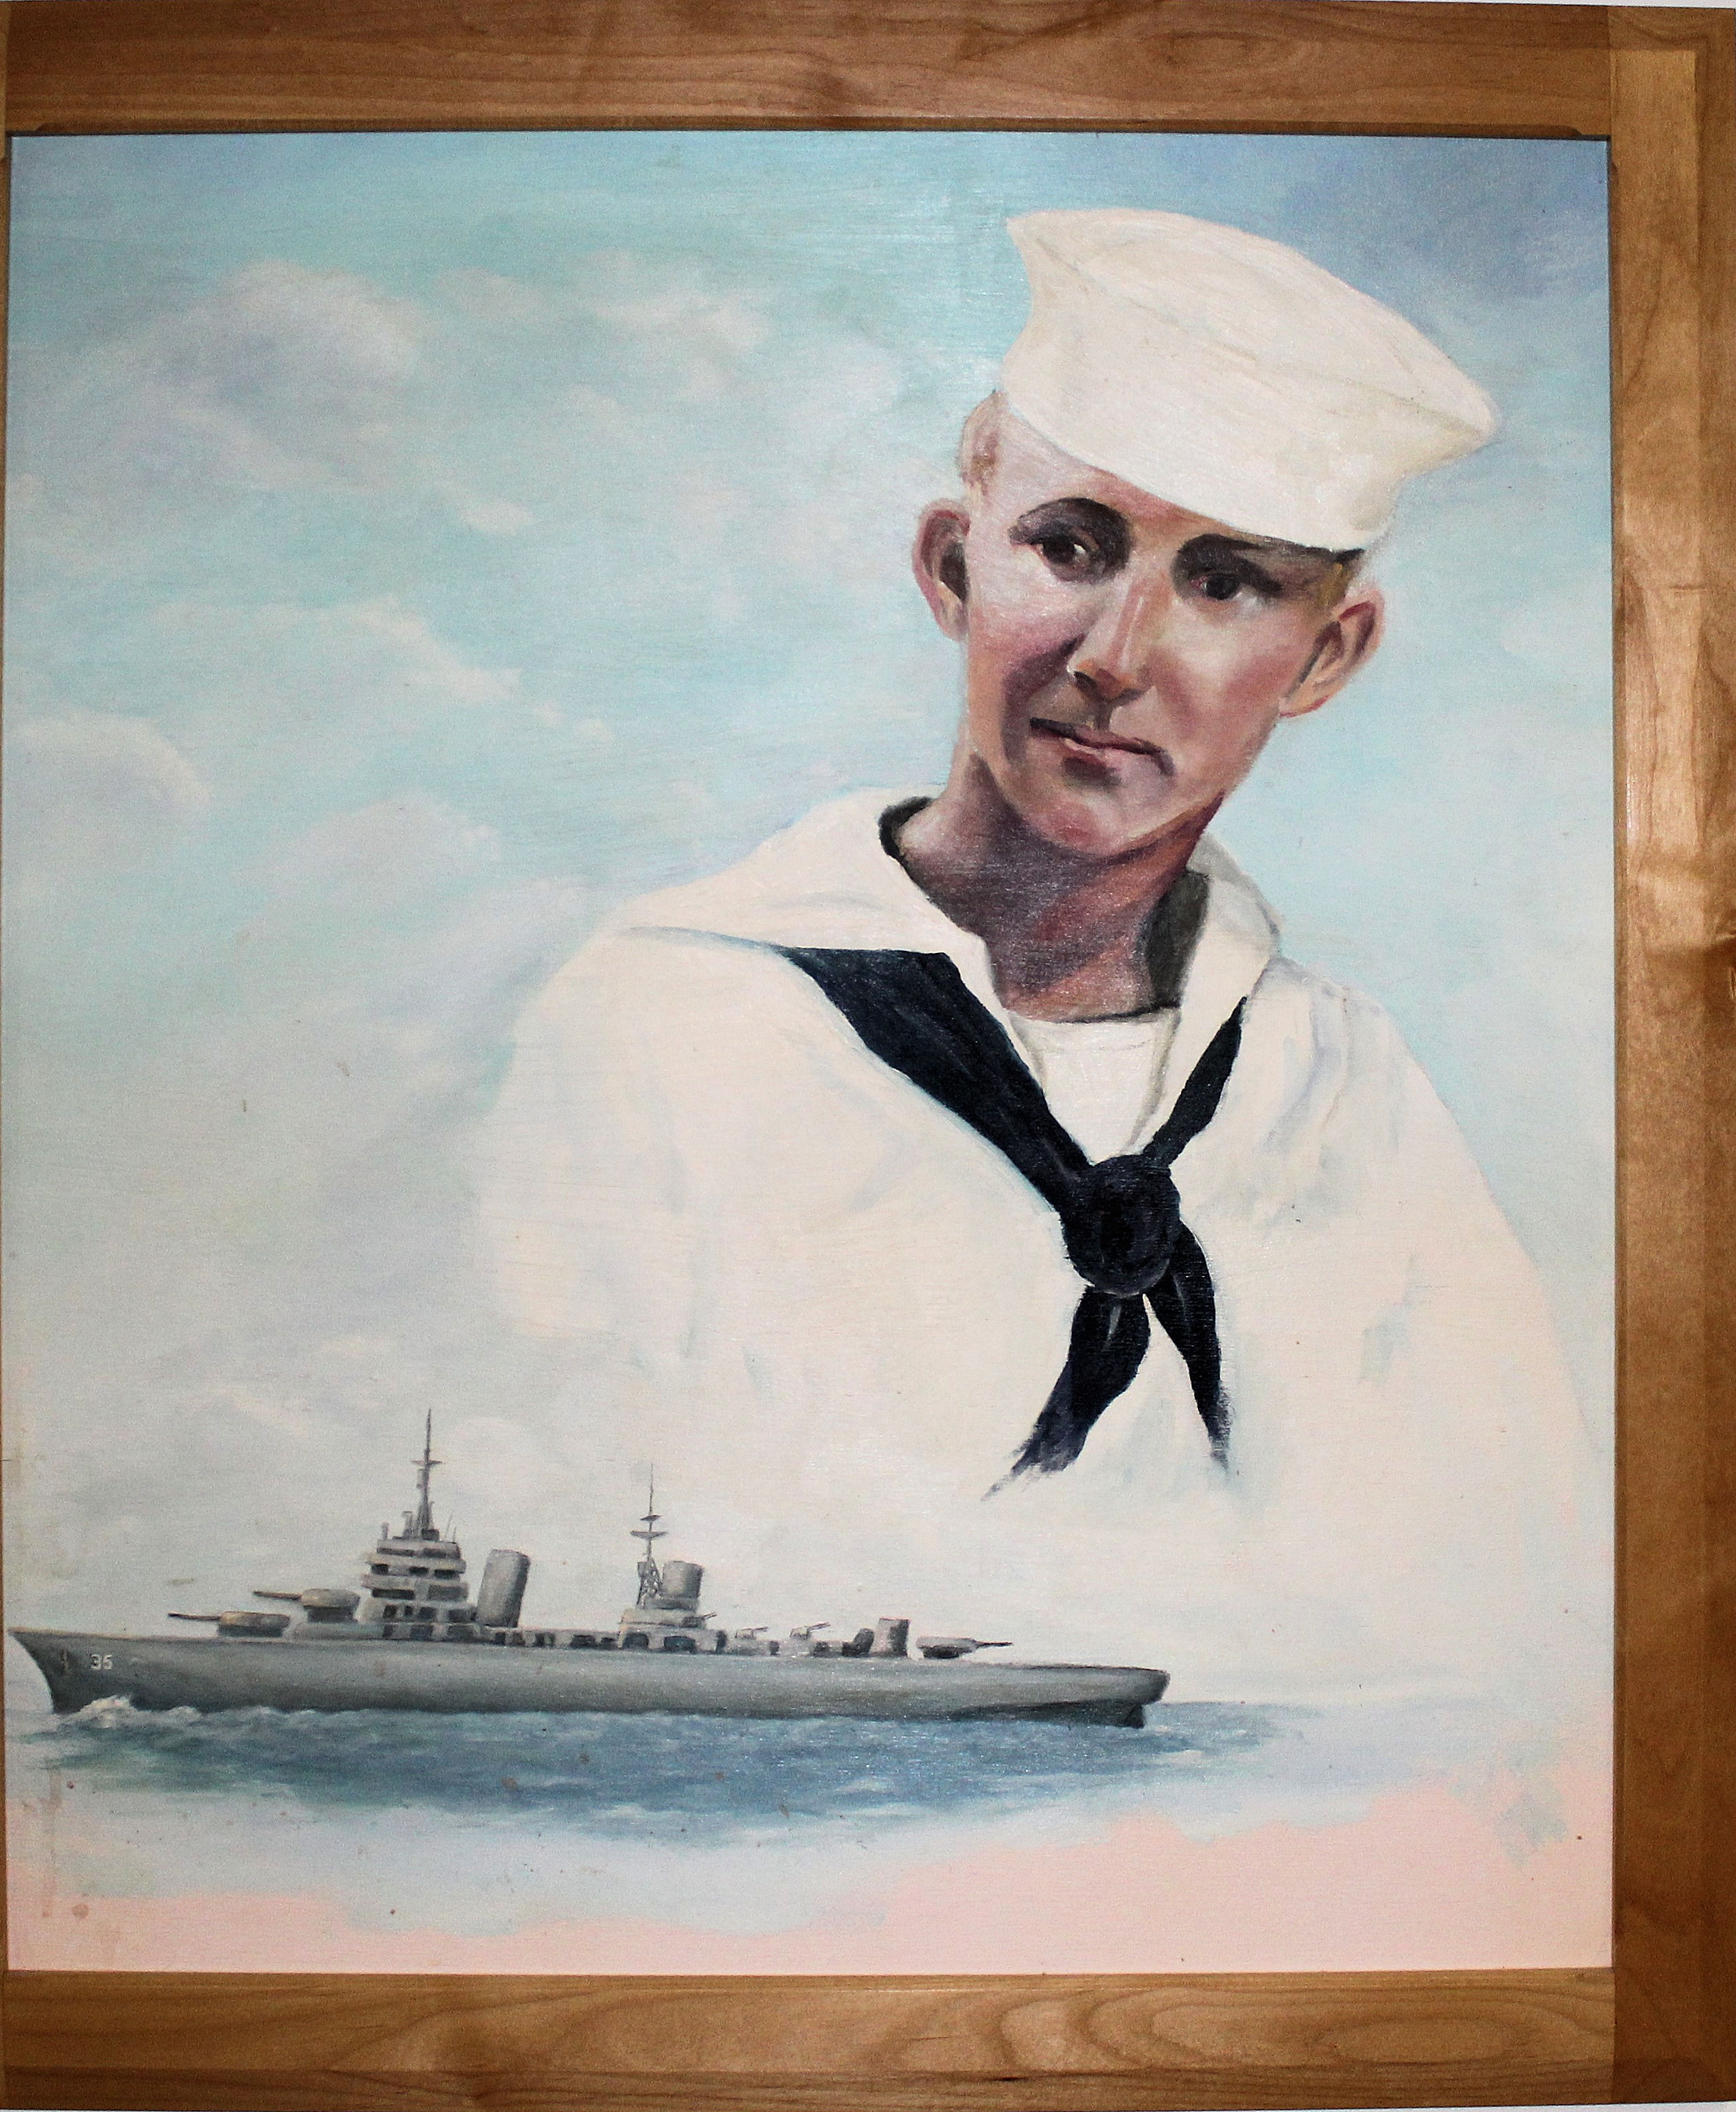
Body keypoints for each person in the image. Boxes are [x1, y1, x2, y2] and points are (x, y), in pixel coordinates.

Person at [479, 210, 1604, 1706]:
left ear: (1325, 657)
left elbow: (1516, 1620)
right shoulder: (671, 1015)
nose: (1115, 655)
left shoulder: (1340, 1085)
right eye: (1069, 548)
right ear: (953, 567)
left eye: (1227, 582)